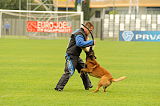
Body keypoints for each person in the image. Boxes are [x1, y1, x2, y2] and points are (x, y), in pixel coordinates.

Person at [55, 22, 95, 91]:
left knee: (83, 70)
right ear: (86, 28)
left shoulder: (80, 32)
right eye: (90, 30)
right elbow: (79, 43)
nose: (90, 32)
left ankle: (88, 85)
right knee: (69, 71)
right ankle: (59, 87)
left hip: (76, 56)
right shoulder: (79, 33)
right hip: (71, 56)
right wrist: (91, 42)